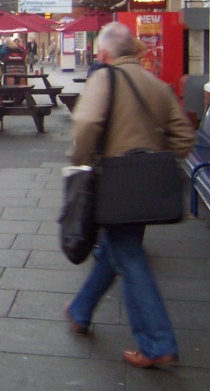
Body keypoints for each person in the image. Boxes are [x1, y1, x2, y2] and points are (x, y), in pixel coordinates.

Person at [64, 22, 195, 369]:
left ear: (105, 53)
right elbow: (184, 139)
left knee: (130, 257)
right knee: (116, 248)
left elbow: (86, 123)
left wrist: (78, 159)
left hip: (114, 184)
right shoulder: (157, 85)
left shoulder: (104, 78)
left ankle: (156, 343)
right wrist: (153, 157)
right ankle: (80, 309)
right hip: (146, 187)